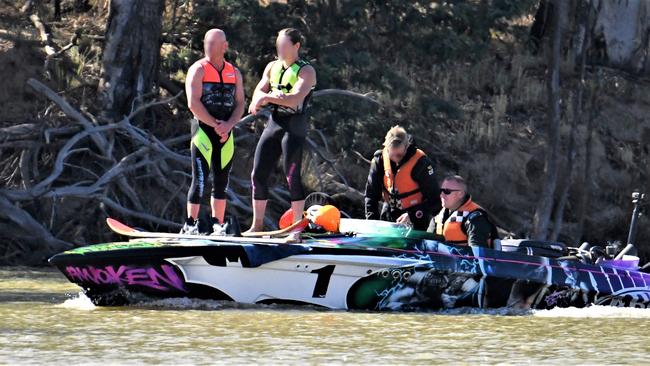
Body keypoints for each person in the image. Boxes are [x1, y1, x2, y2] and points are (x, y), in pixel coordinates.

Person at [246, 28, 317, 232]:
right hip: (275, 124)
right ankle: (257, 225)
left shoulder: (306, 71)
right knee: (257, 174)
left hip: (294, 127)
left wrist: (266, 98)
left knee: (291, 176)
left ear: (296, 46)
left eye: (284, 45)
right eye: (278, 45)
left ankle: (297, 229)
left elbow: (295, 98)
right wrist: (259, 97)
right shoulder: (272, 66)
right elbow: (260, 89)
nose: (280, 48)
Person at [181, 29, 245, 235]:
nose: (208, 46)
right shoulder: (198, 69)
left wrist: (229, 125)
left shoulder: (234, 73)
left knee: (221, 181)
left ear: (224, 46)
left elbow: (240, 103)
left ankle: (217, 224)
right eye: (207, 42)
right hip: (203, 131)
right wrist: (216, 125)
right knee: (199, 179)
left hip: (226, 133)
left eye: (213, 43)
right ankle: (191, 224)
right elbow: (193, 103)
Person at [364, 126, 440, 231]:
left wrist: (412, 215)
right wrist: (371, 223)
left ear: (406, 146)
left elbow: (435, 199)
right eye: (391, 155)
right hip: (389, 215)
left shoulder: (421, 163)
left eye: (399, 155)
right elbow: (371, 195)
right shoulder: (379, 160)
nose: (395, 159)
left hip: (416, 219)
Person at [427, 175, 498, 247]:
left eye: (447, 191)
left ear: (460, 194)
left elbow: (478, 254)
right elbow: (426, 247)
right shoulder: (436, 219)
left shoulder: (476, 218)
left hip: (465, 258)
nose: (442, 195)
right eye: (441, 191)